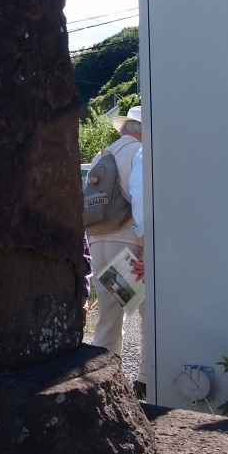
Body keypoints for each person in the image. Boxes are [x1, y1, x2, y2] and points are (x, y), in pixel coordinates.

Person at [87, 106, 145, 397]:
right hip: (127, 246)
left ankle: (100, 384)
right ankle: (145, 382)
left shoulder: (101, 156)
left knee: (109, 316)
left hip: (98, 243)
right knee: (148, 313)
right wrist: (148, 250)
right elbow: (142, 200)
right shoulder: (139, 153)